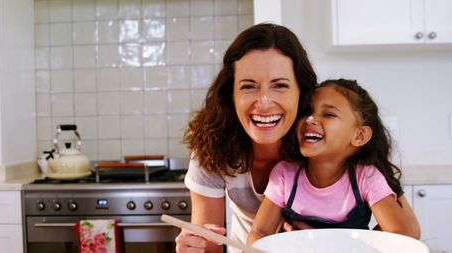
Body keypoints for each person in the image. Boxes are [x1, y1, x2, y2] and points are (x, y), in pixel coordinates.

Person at [175, 23, 317, 253]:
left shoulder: (325, 143)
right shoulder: (213, 147)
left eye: (280, 85)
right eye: (248, 86)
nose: (263, 102)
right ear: (231, 95)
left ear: (302, 93)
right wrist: (193, 248)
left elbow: (393, 232)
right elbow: (209, 244)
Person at [246, 79, 421, 246]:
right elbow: (260, 232)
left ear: (359, 136)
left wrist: (348, 246)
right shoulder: (285, 175)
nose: (310, 119)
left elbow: (401, 233)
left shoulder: (366, 177)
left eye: (328, 114)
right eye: (307, 112)